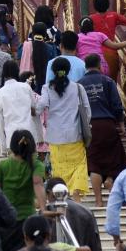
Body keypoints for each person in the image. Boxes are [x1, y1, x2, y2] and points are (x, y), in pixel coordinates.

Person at [36, 59, 91, 203]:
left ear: (53, 71)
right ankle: (76, 193)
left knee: (59, 168)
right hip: (75, 135)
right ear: (68, 70)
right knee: (79, 166)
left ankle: (62, 194)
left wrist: (33, 109)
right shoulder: (78, 87)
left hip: (55, 137)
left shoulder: (47, 88)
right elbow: (87, 110)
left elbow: (41, 106)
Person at [79, 54, 126, 198]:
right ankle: (110, 179)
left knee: (94, 163)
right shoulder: (107, 81)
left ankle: (98, 200)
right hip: (108, 124)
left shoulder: (79, 84)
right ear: (99, 65)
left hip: (90, 126)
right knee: (114, 158)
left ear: (85, 67)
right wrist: (121, 124)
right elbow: (117, 105)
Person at [0, 128, 46, 221]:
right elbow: (38, 184)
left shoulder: (3, 165)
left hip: (7, 217)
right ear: (32, 145)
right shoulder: (36, 165)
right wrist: (43, 209)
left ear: (12, 146)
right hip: (28, 217)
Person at [0, 64, 41, 154]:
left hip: (12, 138)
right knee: (30, 161)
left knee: (15, 162)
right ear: (17, 72)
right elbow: (34, 109)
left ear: (3, 74)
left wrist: (3, 146)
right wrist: (40, 136)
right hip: (29, 134)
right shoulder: (26, 87)